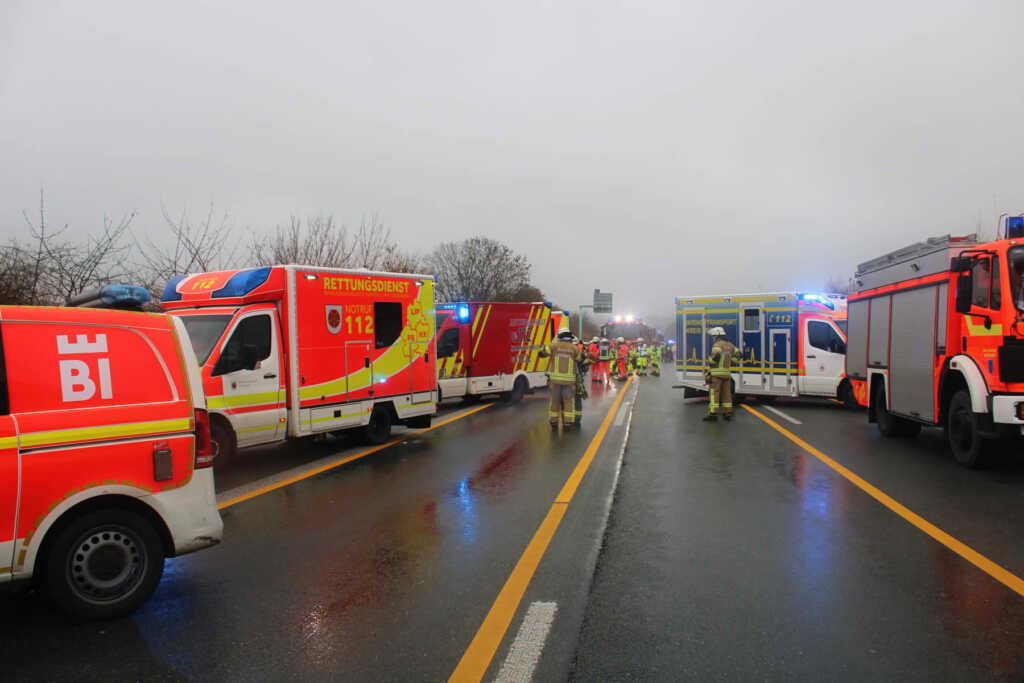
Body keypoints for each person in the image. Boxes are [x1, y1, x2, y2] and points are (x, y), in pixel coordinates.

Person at [703, 326, 742, 422]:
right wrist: (731, 360)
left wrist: (709, 360)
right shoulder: (730, 345)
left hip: (716, 374)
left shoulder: (717, 345)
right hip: (726, 374)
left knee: (714, 393)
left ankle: (713, 414)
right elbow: (739, 355)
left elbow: (715, 358)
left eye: (714, 336)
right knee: (727, 394)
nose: (713, 338)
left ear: (717, 335)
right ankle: (728, 413)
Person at [547, 329, 581, 429]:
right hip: (569, 381)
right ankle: (567, 423)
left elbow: (543, 353)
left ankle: (553, 422)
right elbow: (579, 359)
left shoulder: (554, 346)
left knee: (555, 401)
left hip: (555, 381)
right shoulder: (574, 348)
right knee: (568, 401)